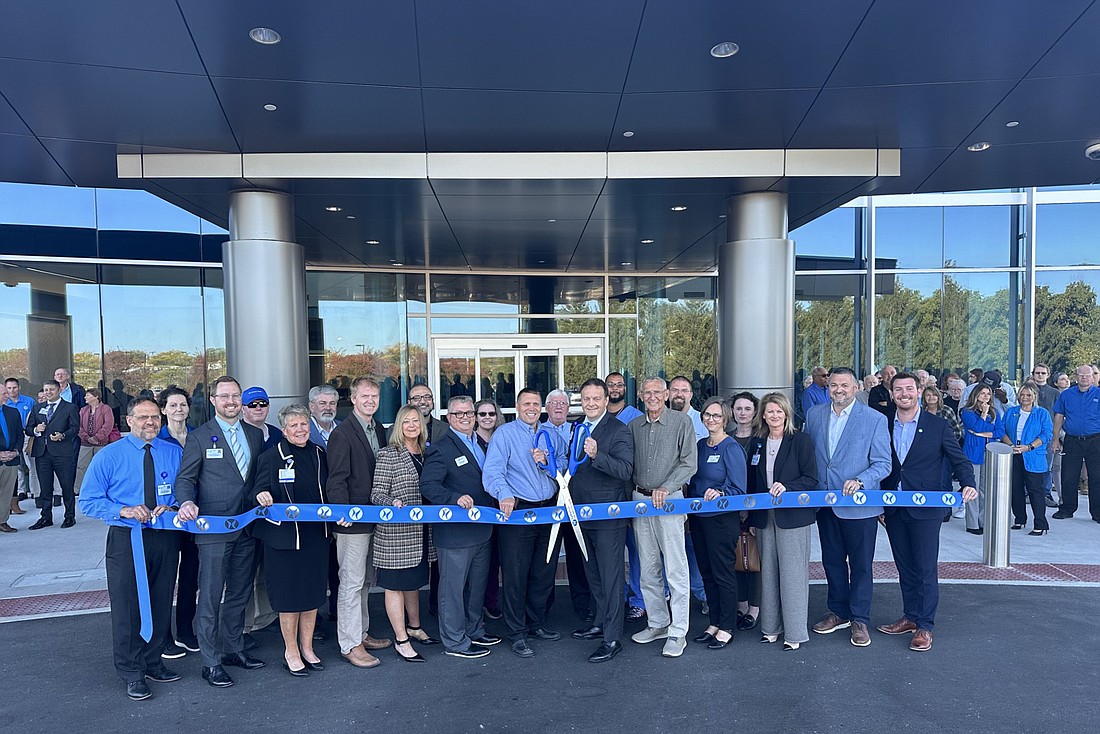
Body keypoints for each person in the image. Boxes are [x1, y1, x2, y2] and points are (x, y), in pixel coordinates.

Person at [78, 398, 183, 700]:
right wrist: (122, 510)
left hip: (164, 535)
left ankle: (153, 661)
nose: (150, 422)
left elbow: (185, 490)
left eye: (155, 417)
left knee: (161, 599)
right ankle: (131, 671)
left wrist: (173, 505)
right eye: (143, 417)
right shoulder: (110, 456)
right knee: (128, 606)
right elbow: (88, 501)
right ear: (129, 421)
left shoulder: (173, 453)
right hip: (127, 539)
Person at [175, 376, 266, 687]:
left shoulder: (255, 435)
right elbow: (185, 480)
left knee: (240, 594)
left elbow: (255, 480)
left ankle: (233, 649)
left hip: (248, 527)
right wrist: (186, 501)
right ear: (213, 400)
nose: (231, 401)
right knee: (211, 597)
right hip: (213, 530)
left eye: (235, 395)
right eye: (224, 396)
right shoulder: (199, 437)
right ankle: (210, 662)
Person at [880, 372, 977, 652]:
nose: (904, 394)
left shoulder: (937, 425)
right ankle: (910, 617)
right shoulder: (883, 424)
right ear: (891, 393)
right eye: (898, 390)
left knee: (924, 568)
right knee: (905, 567)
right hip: (893, 509)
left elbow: (959, 460)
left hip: (926, 509)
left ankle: (925, 626)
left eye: (909, 389)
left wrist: (968, 484)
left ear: (919, 391)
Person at [805, 368, 892, 648]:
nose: (838, 390)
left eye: (844, 385)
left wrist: (860, 480)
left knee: (861, 565)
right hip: (825, 504)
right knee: (831, 561)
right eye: (833, 385)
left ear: (856, 388)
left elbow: (883, 463)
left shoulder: (875, 419)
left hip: (860, 506)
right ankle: (838, 611)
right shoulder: (814, 415)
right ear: (827, 387)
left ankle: (859, 618)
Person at [484, 388, 565, 658]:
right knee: (515, 575)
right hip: (519, 511)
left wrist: (547, 463)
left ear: (542, 407)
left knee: (543, 572)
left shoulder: (550, 433)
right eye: (526, 403)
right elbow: (493, 470)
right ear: (517, 406)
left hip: (549, 510)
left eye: (536, 403)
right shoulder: (504, 434)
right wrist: (504, 494)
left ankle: (535, 624)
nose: (532, 407)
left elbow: (564, 464)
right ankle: (516, 633)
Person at [252, 404, 330, 677]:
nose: (300, 429)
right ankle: (291, 651)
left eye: (304, 424)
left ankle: (307, 648)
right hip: (284, 540)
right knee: (289, 598)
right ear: (284, 431)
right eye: (294, 426)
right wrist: (262, 495)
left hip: (315, 538)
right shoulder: (271, 457)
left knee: (311, 596)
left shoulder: (320, 454)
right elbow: (257, 491)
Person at [420, 396, 495, 659]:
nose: (465, 417)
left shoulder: (480, 444)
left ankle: (474, 630)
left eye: (469, 413)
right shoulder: (441, 448)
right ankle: (454, 641)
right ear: (449, 418)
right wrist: (453, 499)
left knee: (476, 587)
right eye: (458, 414)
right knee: (452, 590)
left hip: (482, 530)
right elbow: (428, 486)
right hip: (454, 533)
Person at [628, 377, 698, 659]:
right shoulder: (634, 427)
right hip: (640, 501)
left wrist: (667, 488)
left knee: (676, 570)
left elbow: (689, 463)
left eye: (658, 392)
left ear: (667, 394)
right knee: (648, 567)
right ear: (642, 396)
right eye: (647, 393)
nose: (652, 397)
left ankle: (678, 632)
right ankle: (657, 623)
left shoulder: (682, 423)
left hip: (670, 501)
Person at [326, 376, 393, 668]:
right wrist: (341, 512)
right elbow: (336, 478)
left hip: (374, 518)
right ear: (353, 399)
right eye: (364, 396)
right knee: (351, 584)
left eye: (374, 396)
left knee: (365, 581)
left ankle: (362, 633)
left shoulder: (378, 428)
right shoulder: (342, 433)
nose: (370, 401)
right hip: (352, 522)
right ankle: (349, 644)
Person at [371, 404, 445, 663]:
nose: (412, 425)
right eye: (406, 422)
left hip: (423, 532)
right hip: (397, 534)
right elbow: (377, 493)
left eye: (416, 421)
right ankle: (401, 640)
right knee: (395, 586)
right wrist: (392, 503)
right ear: (398, 426)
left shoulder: (428, 453)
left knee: (413, 582)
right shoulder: (388, 454)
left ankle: (415, 627)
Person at [567, 379, 634, 662]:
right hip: (581, 513)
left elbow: (625, 470)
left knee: (611, 577)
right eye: (586, 398)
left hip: (608, 516)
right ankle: (600, 622)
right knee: (592, 572)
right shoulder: (577, 427)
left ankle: (613, 638)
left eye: (596, 398)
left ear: (607, 400)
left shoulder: (619, 430)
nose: (591, 403)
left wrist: (597, 455)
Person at [746, 393, 817, 651]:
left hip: (793, 518)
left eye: (779, 411)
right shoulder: (757, 443)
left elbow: (811, 479)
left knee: (793, 575)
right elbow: (753, 483)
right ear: (762, 415)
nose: (774, 416)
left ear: (786, 414)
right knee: (769, 574)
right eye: (769, 412)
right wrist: (752, 519)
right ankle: (770, 628)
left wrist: (787, 486)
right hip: (765, 517)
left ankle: (795, 633)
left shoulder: (800, 440)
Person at [687, 397, 746, 650]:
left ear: (726, 419)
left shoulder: (731, 448)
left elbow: (739, 488)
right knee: (707, 574)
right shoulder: (700, 446)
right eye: (707, 415)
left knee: (723, 574)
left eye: (717, 416)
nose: (711, 420)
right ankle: (713, 623)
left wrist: (721, 492)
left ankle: (727, 626)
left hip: (721, 522)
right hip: (699, 519)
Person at [155, 387, 199, 659]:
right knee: (166, 578)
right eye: (173, 405)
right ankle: (164, 637)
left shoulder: (200, 436)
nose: (178, 409)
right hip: (168, 518)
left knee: (191, 577)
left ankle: (185, 630)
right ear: (163, 409)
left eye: (182, 404)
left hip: (195, 518)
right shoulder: (157, 439)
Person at [543, 389, 593, 623]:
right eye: (554, 403)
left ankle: (583, 606)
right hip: (549, 501)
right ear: (547, 407)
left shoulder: (579, 430)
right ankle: (543, 607)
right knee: (546, 558)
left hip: (575, 501)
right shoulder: (539, 432)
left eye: (563, 403)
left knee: (578, 556)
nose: (559, 407)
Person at [605, 371, 645, 623]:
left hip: (630, 493)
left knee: (637, 550)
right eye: (611, 384)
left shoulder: (636, 418)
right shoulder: (595, 418)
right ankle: (614, 599)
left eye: (620, 384)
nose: (616, 388)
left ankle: (639, 600)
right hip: (605, 495)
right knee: (611, 553)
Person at [25, 379, 80, 529]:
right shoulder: (37, 408)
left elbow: (75, 428)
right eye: (46, 390)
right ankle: (45, 517)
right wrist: (36, 430)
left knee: (66, 486)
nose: (48, 393)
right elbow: (28, 429)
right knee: (45, 487)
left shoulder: (70, 407)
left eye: (51, 390)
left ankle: (69, 516)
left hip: (62, 453)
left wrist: (62, 435)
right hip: (42, 453)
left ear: (59, 391)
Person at [728, 391, 761, 630]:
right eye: (738, 409)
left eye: (747, 409)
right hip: (732, 507)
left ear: (755, 412)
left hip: (757, 508)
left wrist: (751, 510)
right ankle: (740, 605)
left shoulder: (762, 439)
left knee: (755, 559)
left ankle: (755, 608)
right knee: (736, 557)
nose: (742, 413)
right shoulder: (727, 439)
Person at [1001, 384, 1053, 535]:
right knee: (1015, 489)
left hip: (1033, 455)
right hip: (1013, 453)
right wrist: (1010, 445)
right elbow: (1002, 430)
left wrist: (1029, 447)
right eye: (1022, 395)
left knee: (1035, 490)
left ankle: (1040, 523)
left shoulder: (1042, 413)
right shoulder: (1011, 412)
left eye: (1028, 395)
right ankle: (1019, 519)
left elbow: (1046, 434)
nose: (1025, 398)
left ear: (1034, 397)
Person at [1051, 364, 1100, 522]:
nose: (1084, 377)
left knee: (1097, 477)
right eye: (1081, 375)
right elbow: (1059, 416)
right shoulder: (1066, 395)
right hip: (1072, 440)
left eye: (1087, 375)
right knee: (1068, 476)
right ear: (1076, 377)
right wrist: (1055, 439)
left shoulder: (1098, 394)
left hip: (1095, 440)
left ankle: (1097, 512)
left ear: (1093, 377)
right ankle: (1067, 509)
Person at [473, 399, 504, 620]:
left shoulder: (503, 438)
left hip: (502, 507)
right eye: (481, 414)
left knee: (496, 559)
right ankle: (476, 603)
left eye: (491, 413)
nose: (486, 417)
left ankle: (491, 601)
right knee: (479, 562)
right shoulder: (469, 440)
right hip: (477, 507)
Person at [960, 383, 1004, 535]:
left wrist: (982, 434)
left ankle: (983, 521)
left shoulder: (995, 412)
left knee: (986, 489)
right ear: (976, 395)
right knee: (973, 488)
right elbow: (976, 427)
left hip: (989, 452)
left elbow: (1000, 431)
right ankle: (972, 523)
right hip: (973, 453)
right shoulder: (967, 412)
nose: (986, 396)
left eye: (988, 393)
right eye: (983, 393)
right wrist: (984, 415)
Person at [75, 388, 115, 493]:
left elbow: (108, 425)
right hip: (85, 444)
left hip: (101, 444)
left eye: (87, 395)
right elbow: (78, 426)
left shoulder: (106, 409)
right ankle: (79, 490)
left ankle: (102, 490)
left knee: (101, 468)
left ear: (96, 396)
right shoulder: (83, 410)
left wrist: (97, 437)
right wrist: (87, 437)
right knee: (81, 467)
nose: (85, 398)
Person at [0, 399, 23, 532]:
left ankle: (2, 521)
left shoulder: (13, 412)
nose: (6, 397)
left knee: (6, 493)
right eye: (3, 394)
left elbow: (20, 434)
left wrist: (16, 451)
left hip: (11, 459)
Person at [241, 386, 283, 450]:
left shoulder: (277, 435)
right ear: (242, 409)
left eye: (263, 404)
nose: (258, 408)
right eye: (252, 404)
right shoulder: (235, 435)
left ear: (268, 406)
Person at [307, 384, 340, 449]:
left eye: (332, 403)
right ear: (312, 407)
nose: (328, 408)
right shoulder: (303, 430)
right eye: (322, 403)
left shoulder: (344, 427)